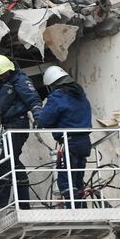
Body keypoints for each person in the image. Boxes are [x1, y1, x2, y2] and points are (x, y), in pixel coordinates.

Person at [0, 54, 42, 210]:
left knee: (6, 161)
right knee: (14, 162)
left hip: (18, 124)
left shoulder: (20, 81)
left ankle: (0, 202)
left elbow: (34, 100)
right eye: (0, 74)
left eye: (5, 73)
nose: (3, 76)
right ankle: (23, 202)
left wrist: (38, 117)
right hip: (8, 126)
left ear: (10, 70)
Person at [38, 65, 92, 207]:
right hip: (84, 142)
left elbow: (44, 120)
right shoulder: (81, 95)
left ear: (53, 84)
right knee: (77, 180)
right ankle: (82, 210)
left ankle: (74, 211)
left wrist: (38, 116)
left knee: (65, 180)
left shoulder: (58, 96)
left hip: (69, 142)